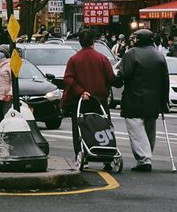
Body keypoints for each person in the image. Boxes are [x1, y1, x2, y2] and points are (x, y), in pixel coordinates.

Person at [61, 29, 120, 164]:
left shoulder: (74, 59)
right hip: (100, 100)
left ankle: (82, 154)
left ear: (80, 43)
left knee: (80, 128)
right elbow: (111, 78)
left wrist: (81, 91)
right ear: (93, 42)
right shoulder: (102, 58)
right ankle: (107, 156)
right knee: (104, 126)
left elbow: (68, 79)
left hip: (81, 100)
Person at [118, 28, 169, 172]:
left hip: (134, 99)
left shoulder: (131, 54)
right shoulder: (159, 56)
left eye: (135, 38)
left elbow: (123, 74)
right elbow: (165, 80)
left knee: (136, 130)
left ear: (140, 39)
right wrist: (164, 101)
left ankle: (144, 158)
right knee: (149, 130)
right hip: (154, 101)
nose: (132, 40)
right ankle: (147, 156)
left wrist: (113, 79)